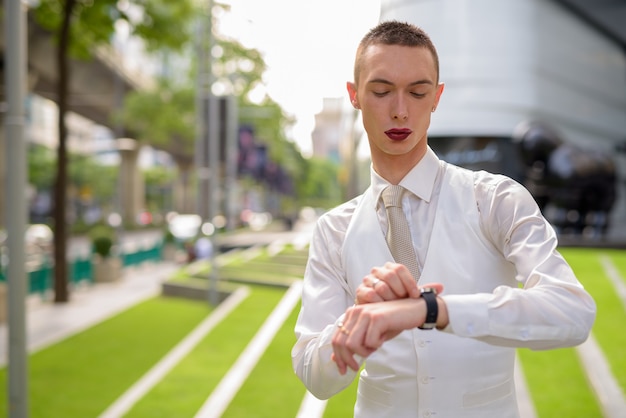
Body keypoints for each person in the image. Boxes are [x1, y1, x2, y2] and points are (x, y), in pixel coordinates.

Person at [291, 20, 596, 417]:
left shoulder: (496, 199)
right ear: (354, 96)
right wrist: (354, 325)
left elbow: (572, 313)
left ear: (436, 97)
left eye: (417, 93)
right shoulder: (334, 230)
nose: (400, 110)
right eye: (382, 91)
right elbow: (316, 378)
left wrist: (434, 310)